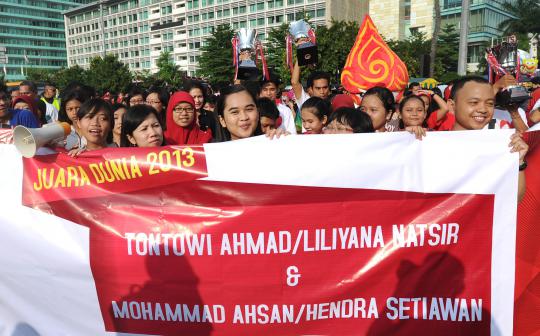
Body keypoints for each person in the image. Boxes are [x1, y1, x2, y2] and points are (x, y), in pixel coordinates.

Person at [447, 76, 529, 201]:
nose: (483, 109)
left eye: (490, 104)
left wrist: (519, 162)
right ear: (452, 106)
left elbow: (514, 199)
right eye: (474, 103)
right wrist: (407, 139)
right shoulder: (428, 145)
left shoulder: (503, 146)